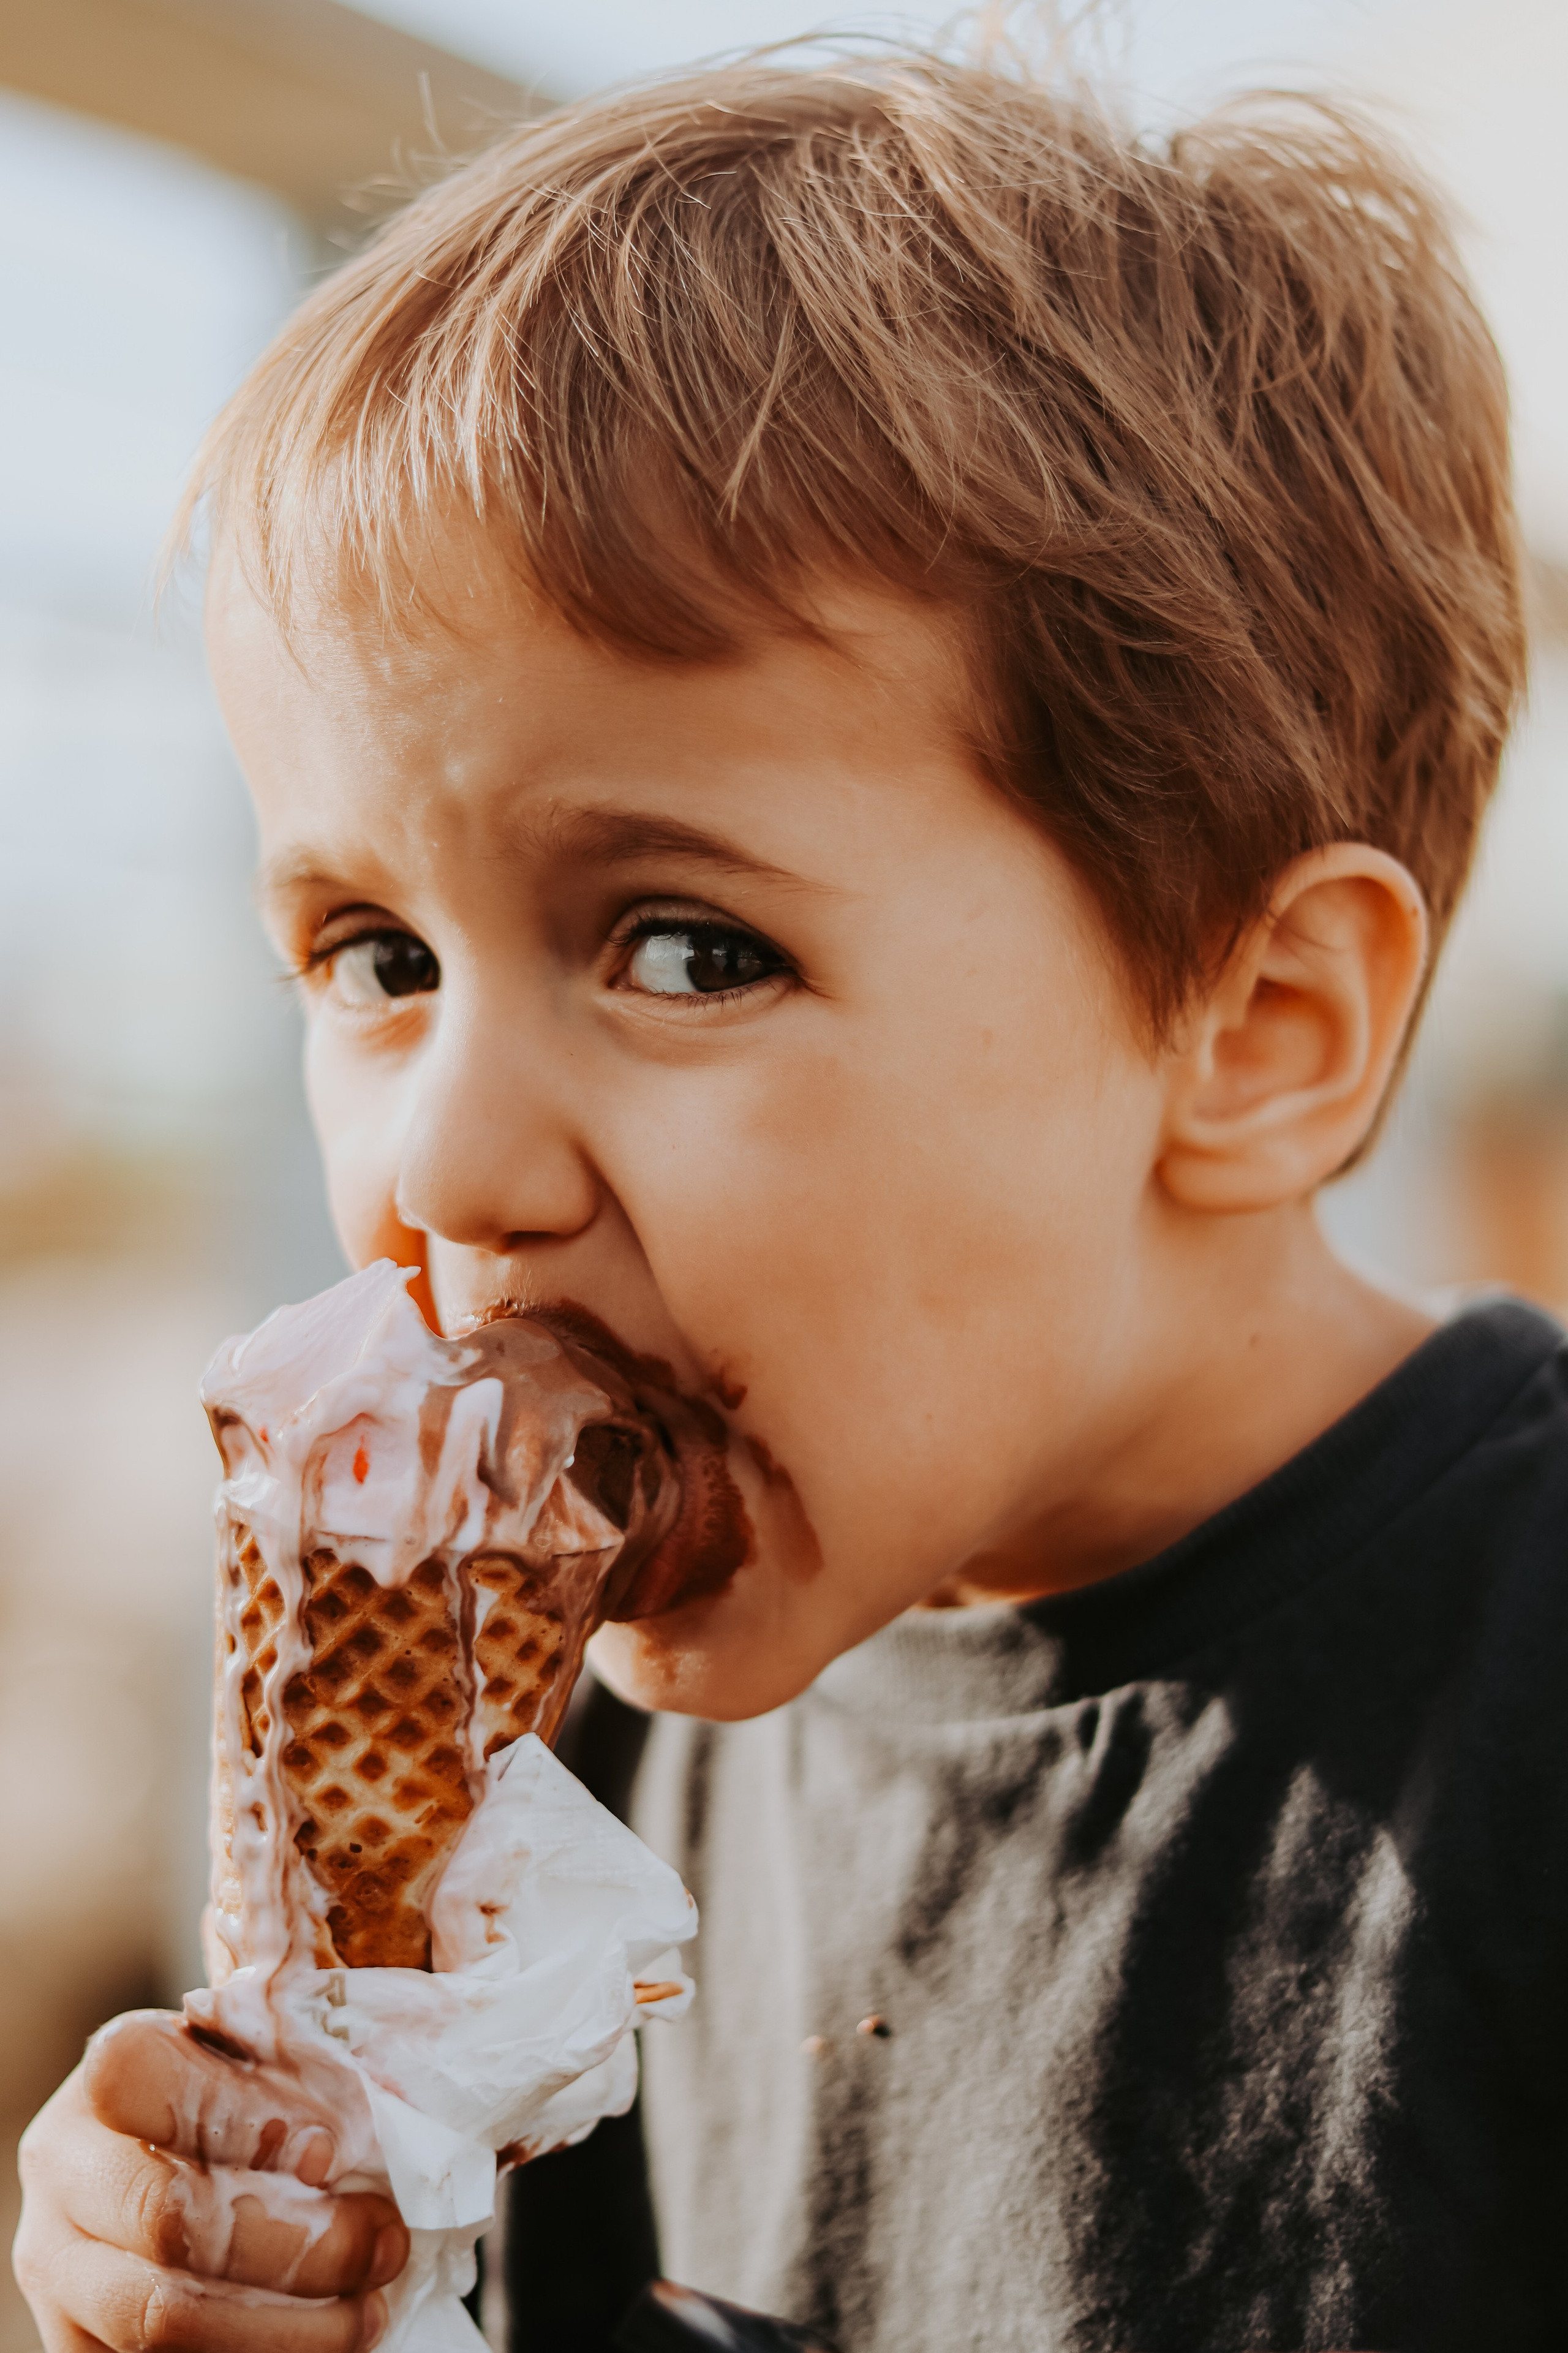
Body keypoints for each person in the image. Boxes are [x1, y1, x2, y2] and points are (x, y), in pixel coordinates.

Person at [15, 24, 1559, 2353]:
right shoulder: (557, 1792)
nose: (442, 1160)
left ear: (1256, 1033)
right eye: (376, 956)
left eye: (683, 945)